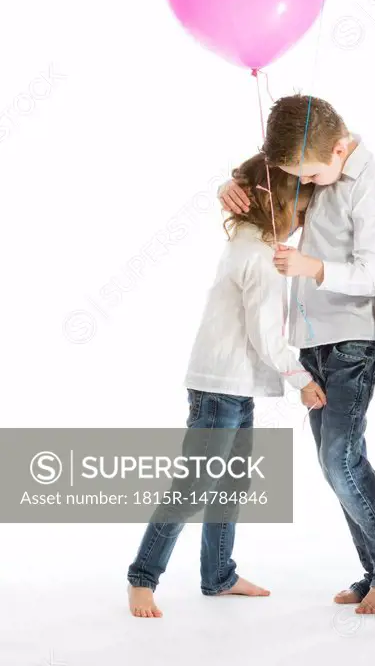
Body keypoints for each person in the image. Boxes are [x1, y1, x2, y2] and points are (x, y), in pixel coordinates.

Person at [219, 96, 375, 614]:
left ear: (340, 149)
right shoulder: (316, 172)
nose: (301, 182)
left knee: (341, 457)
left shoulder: (369, 185)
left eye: (305, 173)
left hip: (353, 337)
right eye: (294, 174)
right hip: (313, 340)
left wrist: (312, 267)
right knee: (336, 465)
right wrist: (230, 187)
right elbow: (262, 182)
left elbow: (374, 270)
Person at [127, 154, 325, 618]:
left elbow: (259, 171)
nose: (299, 228)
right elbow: (265, 335)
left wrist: (237, 182)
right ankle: (142, 577)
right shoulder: (260, 257)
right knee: (193, 487)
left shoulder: (249, 239)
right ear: (276, 208)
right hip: (219, 389)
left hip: (231, 387)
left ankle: (218, 575)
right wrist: (303, 380)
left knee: (230, 485)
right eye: (298, 216)